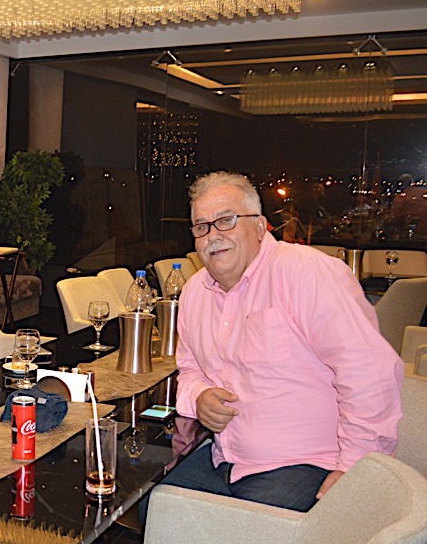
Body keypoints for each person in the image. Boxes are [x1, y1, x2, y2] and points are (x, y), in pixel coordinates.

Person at [155, 171, 403, 516]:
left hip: (308, 463)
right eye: (202, 226)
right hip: (224, 458)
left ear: (259, 226)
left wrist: (355, 467)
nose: (213, 236)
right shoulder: (196, 291)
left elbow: (369, 371)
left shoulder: (305, 273)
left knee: (249, 535)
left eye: (226, 220)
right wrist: (199, 396)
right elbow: (189, 369)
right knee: (154, 512)